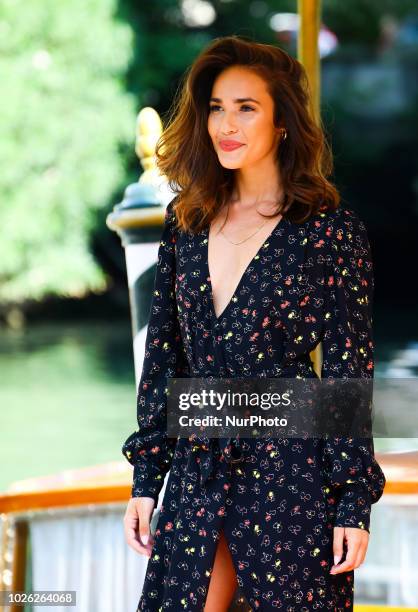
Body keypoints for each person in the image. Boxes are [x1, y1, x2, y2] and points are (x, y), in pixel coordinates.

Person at [121, 35, 386, 612]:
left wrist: (352, 505)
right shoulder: (185, 222)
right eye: (217, 107)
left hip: (289, 475)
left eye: (247, 108)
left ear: (283, 123)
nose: (226, 124)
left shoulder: (329, 234)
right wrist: (147, 480)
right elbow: (164, 359)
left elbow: (348, 375)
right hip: (196, 468)